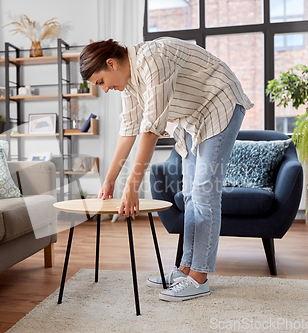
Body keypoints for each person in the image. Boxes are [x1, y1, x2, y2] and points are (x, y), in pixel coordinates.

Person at [79, 37, 253, 302]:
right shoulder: (130, 86)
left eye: (100, 82)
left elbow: (150, 131)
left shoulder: (152, 60)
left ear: (111, 64)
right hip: (194, 117)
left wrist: (132, 187)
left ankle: (199, 277)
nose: (104, 89)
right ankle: (185, 269)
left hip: (220, 102)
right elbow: (128, 132)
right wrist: (109, 181)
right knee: (191, 196)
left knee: (204, 193)